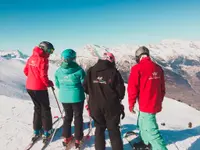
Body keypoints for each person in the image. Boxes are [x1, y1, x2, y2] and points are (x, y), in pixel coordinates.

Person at [83, 52, 125, 150]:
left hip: (94, 105)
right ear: (111, 60)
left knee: (99, 129)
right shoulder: (113, 71)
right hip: (111, 106)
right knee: (113, 130)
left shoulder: (91, 70)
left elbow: (85, 87)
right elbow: (121, 91)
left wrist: (94, 92)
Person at [127, 46, 167, 150]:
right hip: (154, 103)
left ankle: (158, 147)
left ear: (138, 57)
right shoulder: (158, 68)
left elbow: (132, 88)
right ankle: (145, 142)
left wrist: (131, 104)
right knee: (142, 123)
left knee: (152, 132)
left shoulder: (137, 68)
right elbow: (162, 88)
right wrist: (158, 101)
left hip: (146, 104)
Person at [23, 41, 55, 141]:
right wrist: (49, 83)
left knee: (37, 108)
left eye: (52, 51)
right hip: (40, 88)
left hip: (29, 87)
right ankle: (47, 131)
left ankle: (37, 130)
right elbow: (43, 76)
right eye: (49, 50)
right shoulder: (43, 60)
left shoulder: (31, 58)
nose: (50, 53)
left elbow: (26, 71)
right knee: (45, 109)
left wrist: (33, 79)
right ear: (43, 49)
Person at [54, 49, 86, 147]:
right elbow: (84, 84)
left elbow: (57, 84)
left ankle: (66, 136)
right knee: (78, 117)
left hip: (64, 97)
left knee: (67, 117)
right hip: (77, 97)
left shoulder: (58, 71)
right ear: (73, 58)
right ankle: (78, 138)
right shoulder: (79, 70)